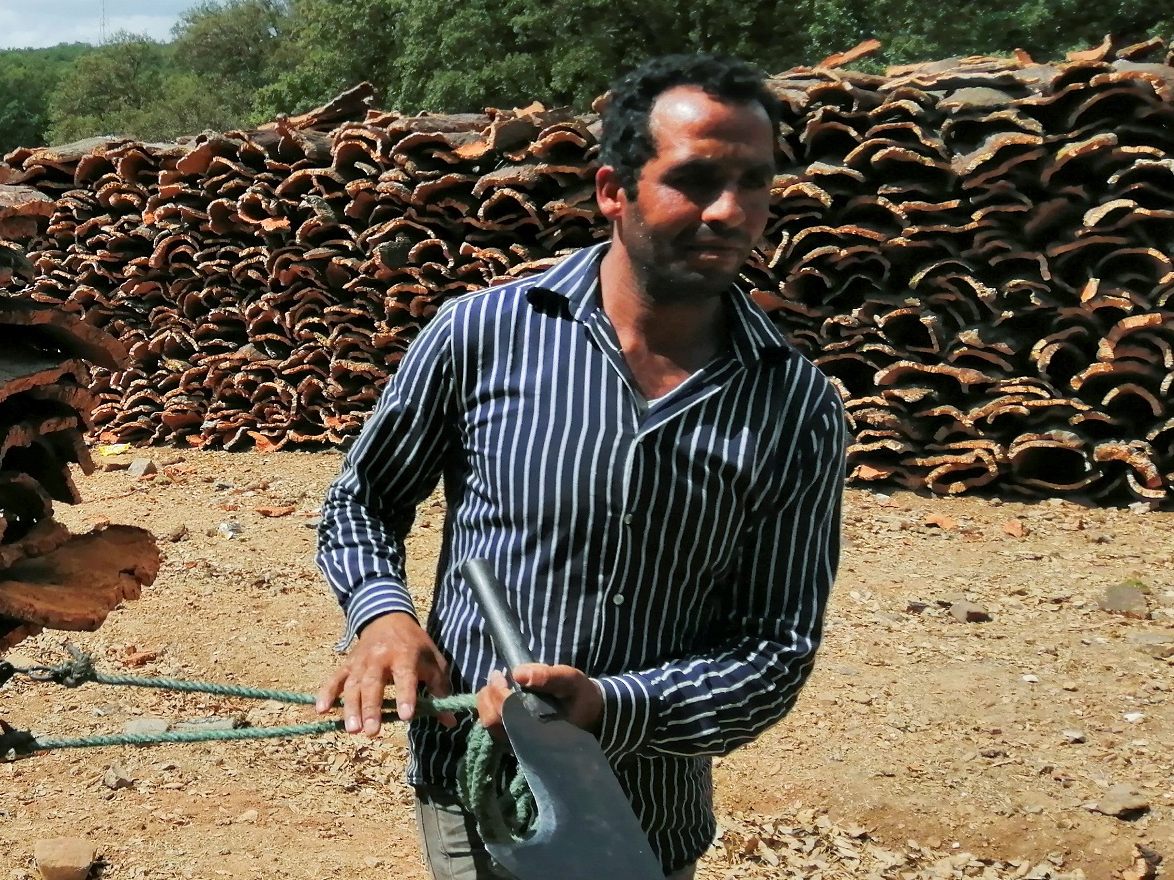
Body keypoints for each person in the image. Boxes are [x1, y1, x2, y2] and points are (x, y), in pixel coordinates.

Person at [314, 53, 848, 879]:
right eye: (696, 178)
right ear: (613, 190)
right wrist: (383, 618)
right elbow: (362, 502)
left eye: (754, 181)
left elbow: (774, 648)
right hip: (475, 795)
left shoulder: (796, 406)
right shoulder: (483, 335)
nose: (731, 210)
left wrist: (611, 706)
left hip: (644, 822)